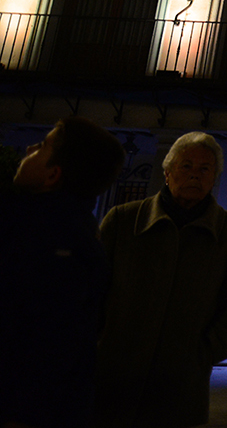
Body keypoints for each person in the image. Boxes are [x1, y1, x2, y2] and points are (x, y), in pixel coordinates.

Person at [95, 132, 227, 428]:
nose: (195, 175)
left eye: (205, 169)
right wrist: (99, 341)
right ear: (167, 173)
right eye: (186, 166)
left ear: (214, 178)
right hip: (113, 375)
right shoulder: (122, 220)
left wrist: (205, 351)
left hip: (181, 383)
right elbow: (91, 288)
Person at [1, 118, 124, 428]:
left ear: (53, 174)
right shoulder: (71, 233)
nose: (29, 148)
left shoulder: (40, 236)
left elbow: (42, 348)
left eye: (43, 146)